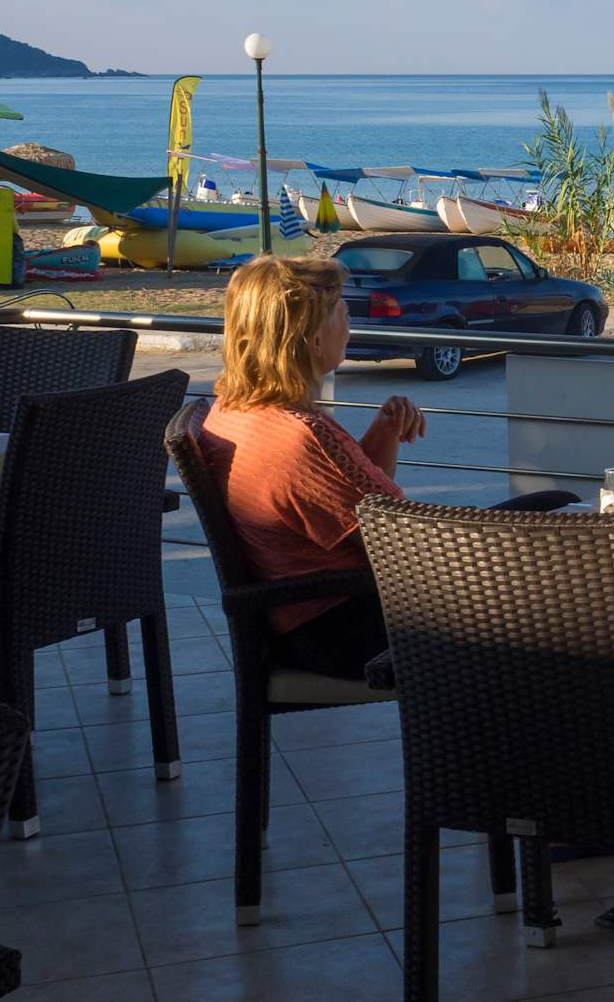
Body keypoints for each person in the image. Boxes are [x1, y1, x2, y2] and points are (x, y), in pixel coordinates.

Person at [198, 255, 576, 682]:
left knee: (555, 507)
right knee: (564, 570)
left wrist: (384, 433)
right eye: (340, 308)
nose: (349, 317)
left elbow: (356, 510)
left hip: (320, 617)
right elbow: (404, 545)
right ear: (309, 338)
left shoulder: (236, 411)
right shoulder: (297, 437)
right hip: (344, 627)